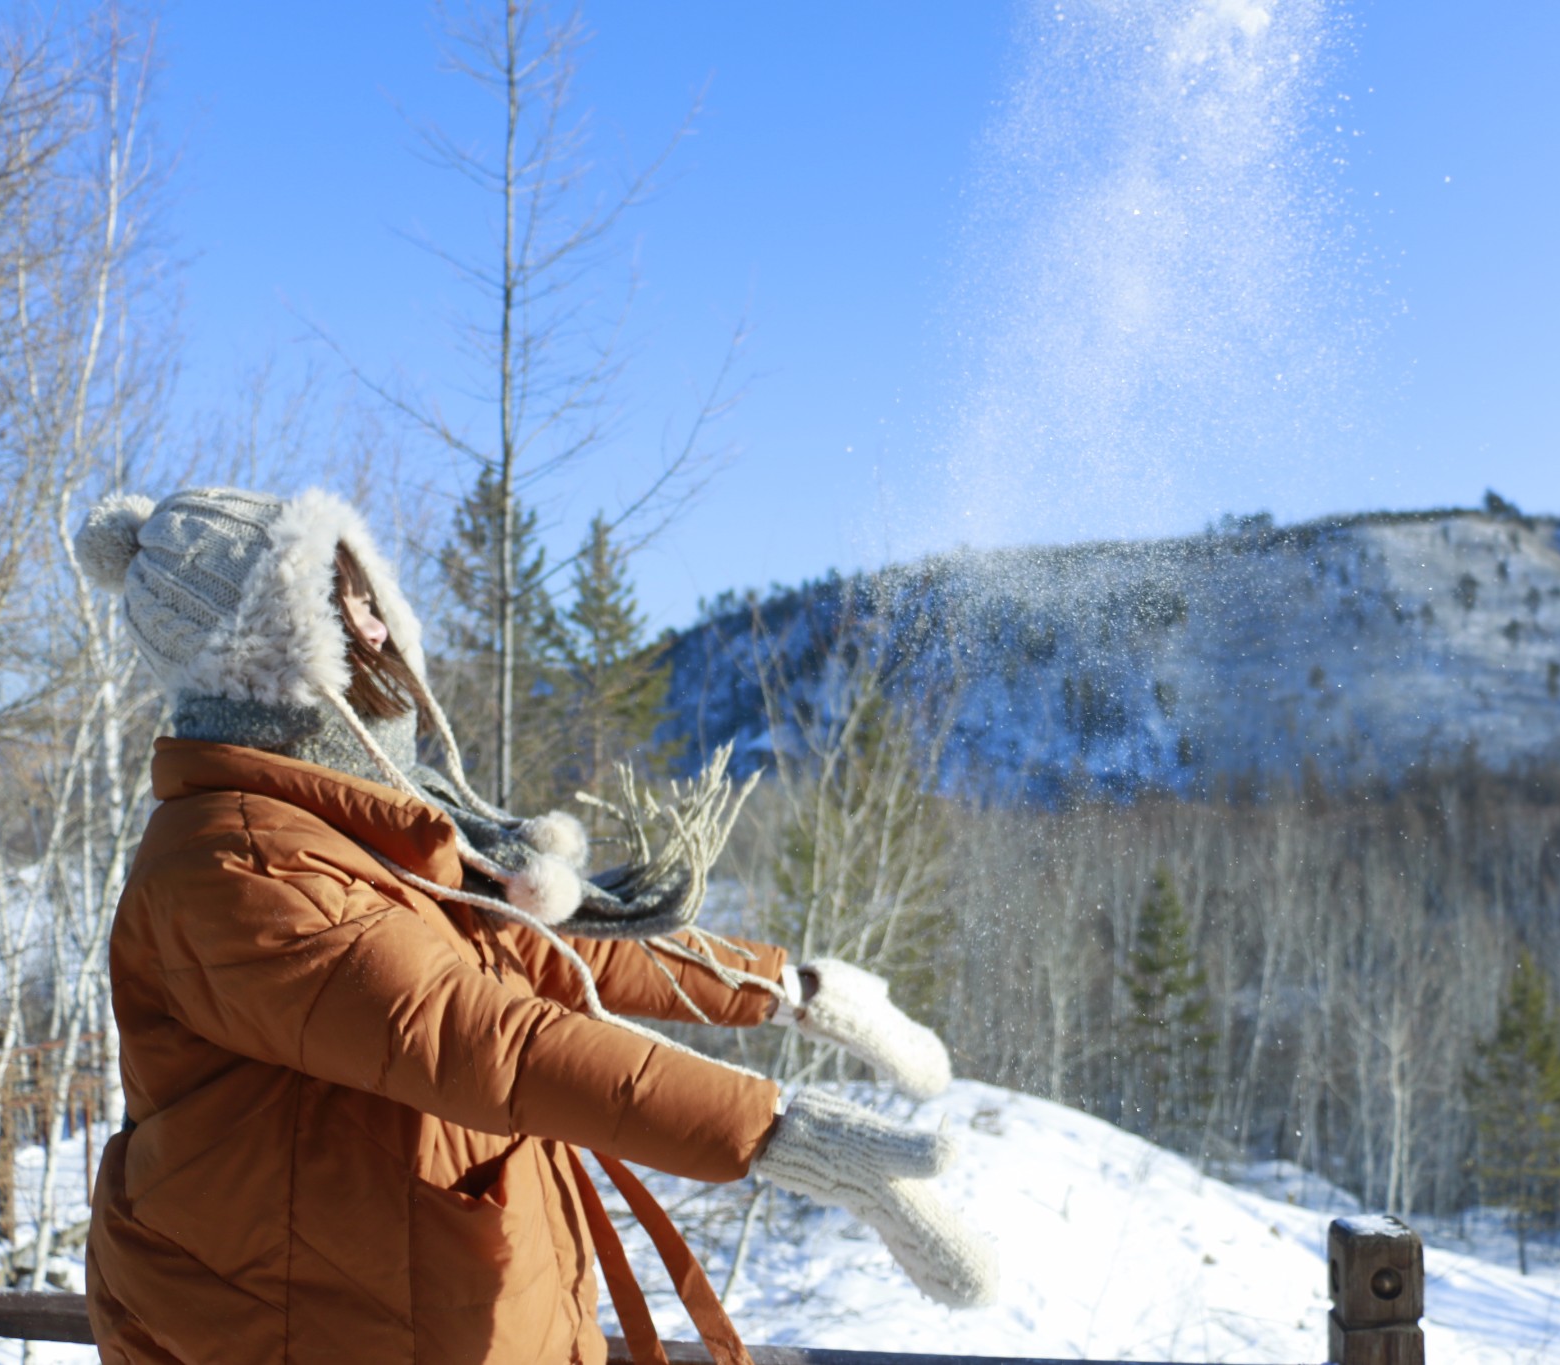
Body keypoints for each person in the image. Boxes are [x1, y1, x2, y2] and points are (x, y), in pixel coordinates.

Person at [75, 487, 996, 1365]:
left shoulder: (371, 823)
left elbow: (553, 945)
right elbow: (478, 1037)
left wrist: (791, 991)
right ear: (270, 652)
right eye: (331, 599)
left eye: (365, 589)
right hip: (309, 1321)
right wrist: (778, 1131)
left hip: (431, 1295)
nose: (371, 623)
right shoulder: (237, 862)